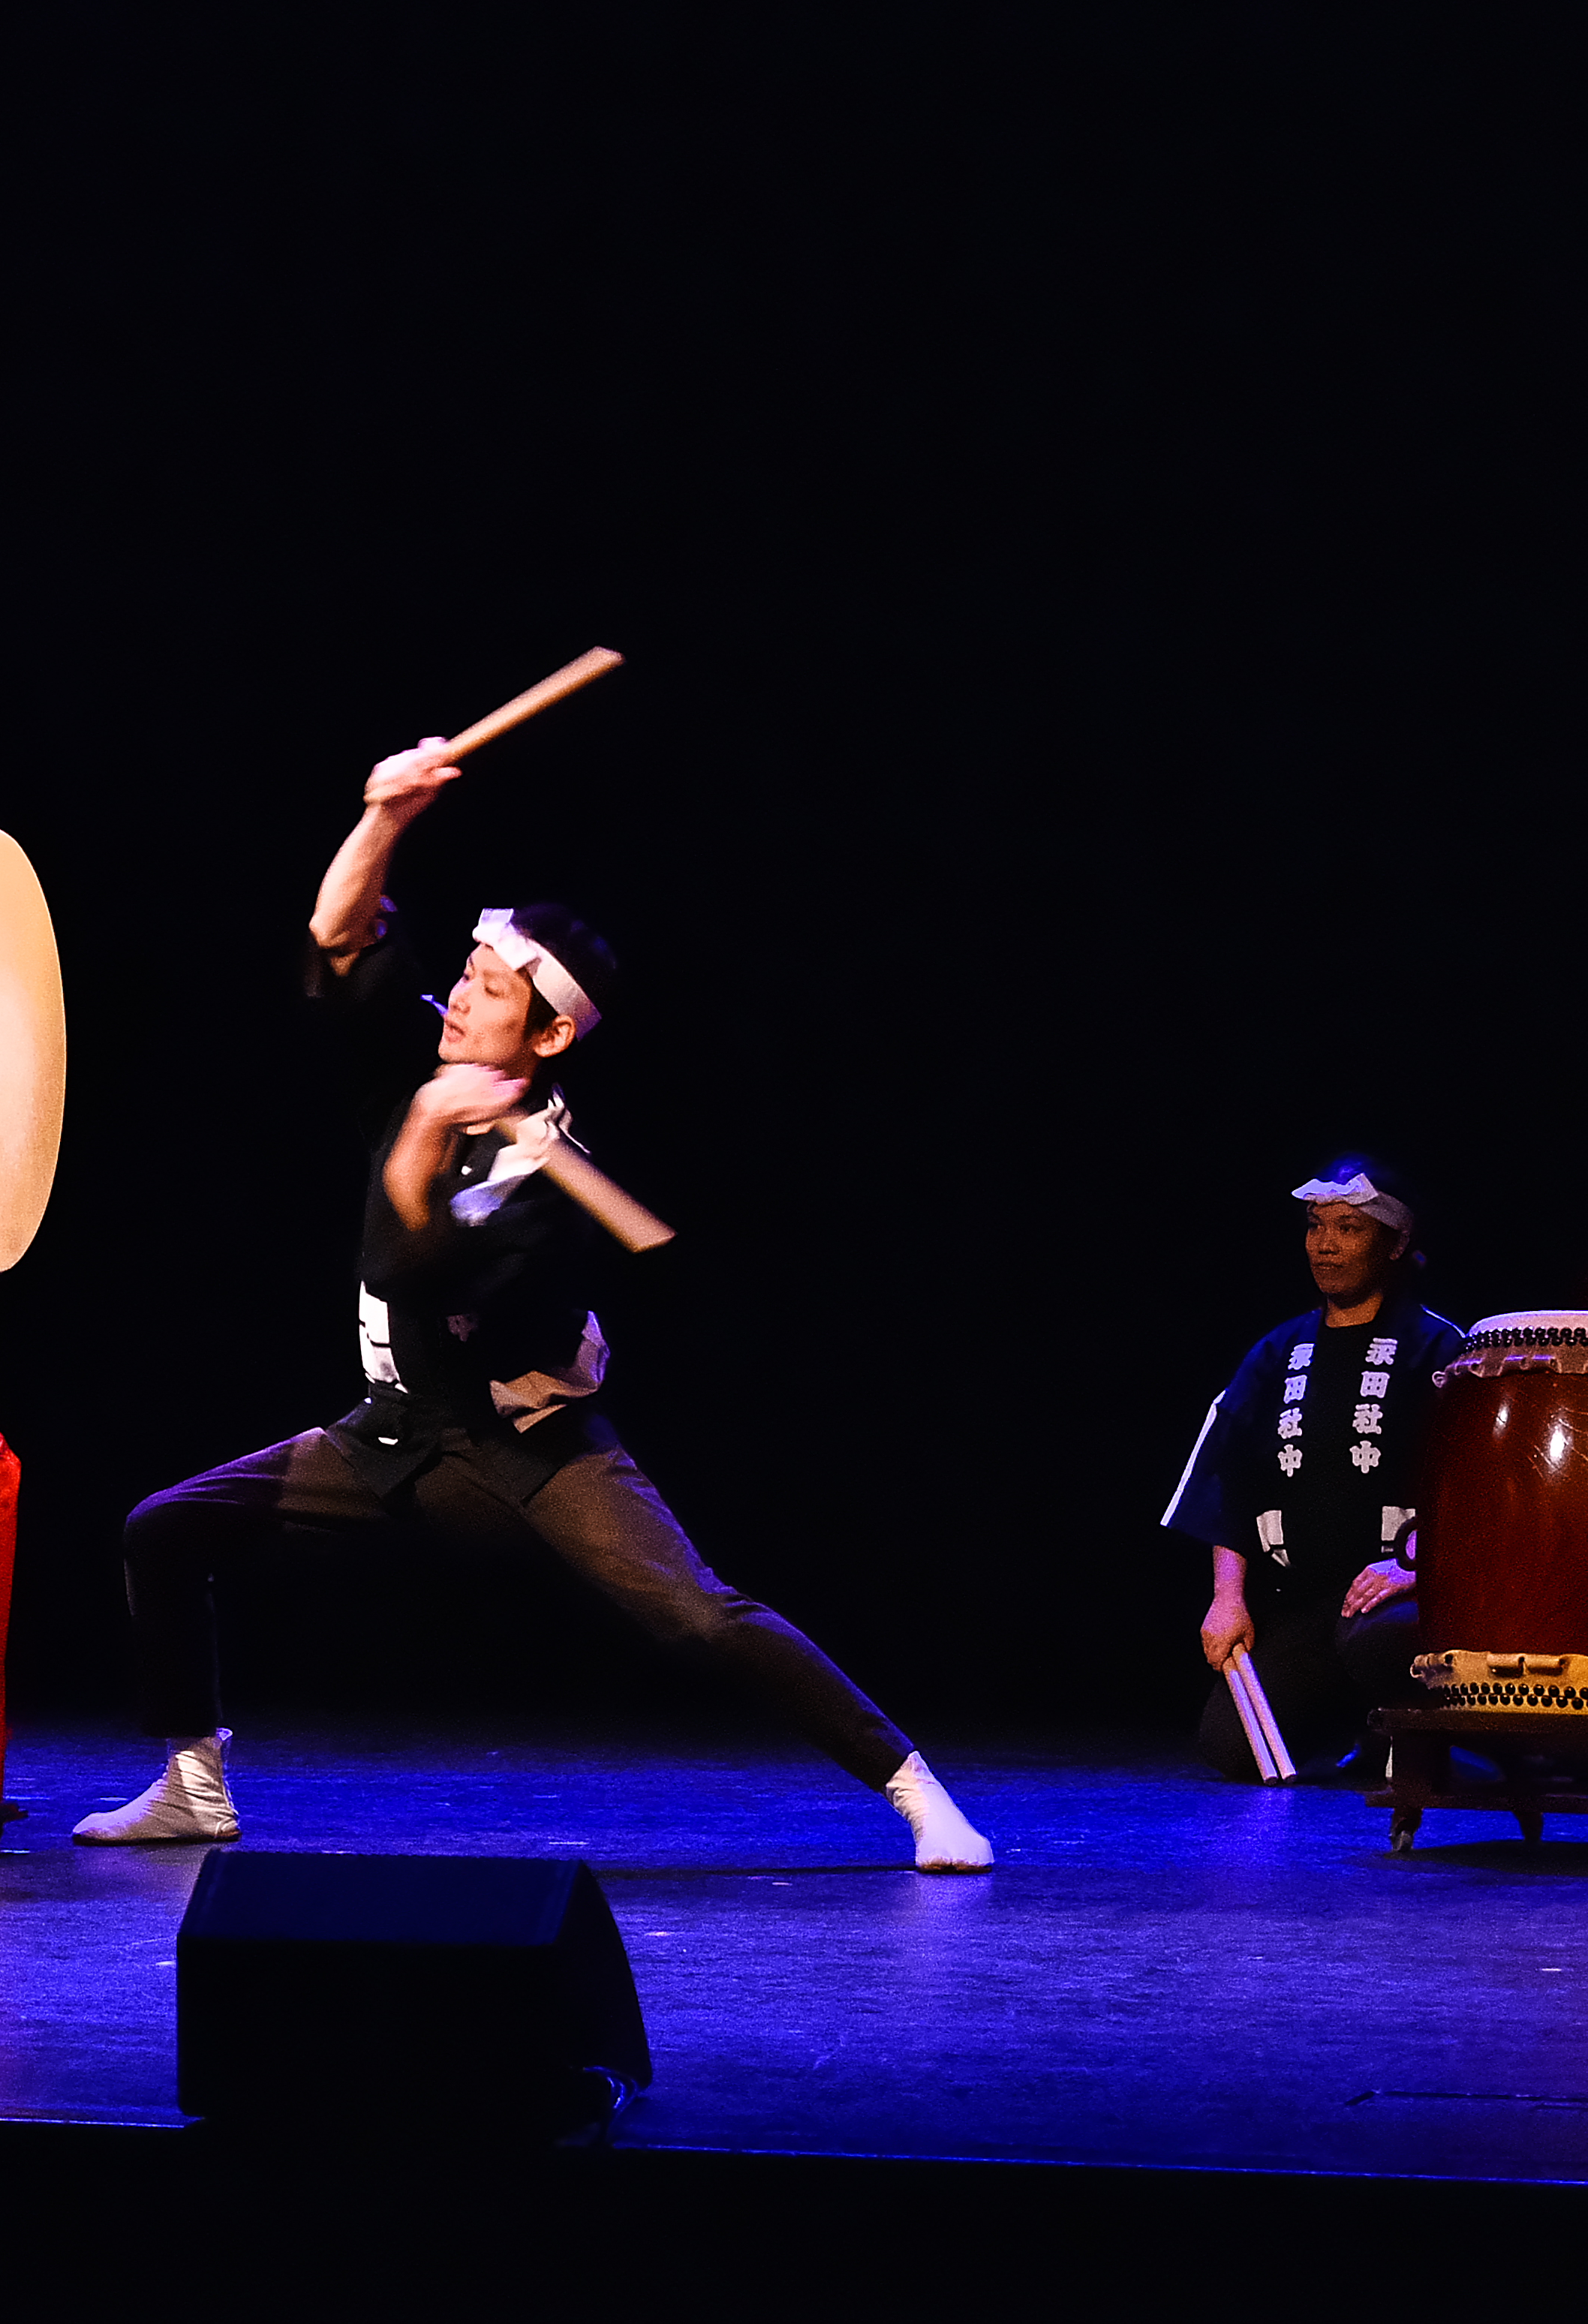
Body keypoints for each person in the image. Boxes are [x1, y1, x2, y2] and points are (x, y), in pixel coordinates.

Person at [79, 738, 996, 1871]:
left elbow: (406, 1258)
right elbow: (337, 935)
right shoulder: (429, 1059)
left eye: (489, 989)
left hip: (529, 1446)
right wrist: (383, 815)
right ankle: (192, 1784)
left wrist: (423, 1123)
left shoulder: (537, 1188)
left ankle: (914, 1789)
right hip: (393, 1428)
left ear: (550, 1035)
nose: (457, 995)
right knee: (164, 1525)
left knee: (697, 1615)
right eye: (462, 972)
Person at [1161, 1161, 1463, 1780]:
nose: (1325, 1244)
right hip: (1299, 1604)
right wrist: (1227, 1599)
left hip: (1399, 1602)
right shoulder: (1277, 1352)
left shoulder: (1439, 1350)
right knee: (1231, 1747)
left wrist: (1413, 1564)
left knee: (1377, 1643)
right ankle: (1360, 1732)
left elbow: (1478, 1490)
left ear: (1395, 1242)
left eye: (1349, 1227)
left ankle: (1436, 1740)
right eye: (1315, 1225)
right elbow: (1228, 1480)